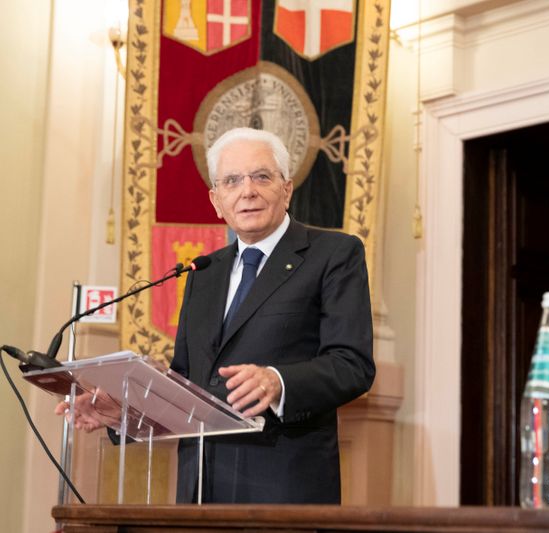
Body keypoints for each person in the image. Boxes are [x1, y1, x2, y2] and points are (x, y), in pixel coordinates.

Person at [56, 127, 375, 504]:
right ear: (216, 200)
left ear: (286, 189)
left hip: (283, 490)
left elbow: (353, 364)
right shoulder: (203, 272)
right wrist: (125, 415)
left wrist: (278, 381)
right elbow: (187, 384)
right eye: (232, 181)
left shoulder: (333, 254)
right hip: (200, 490)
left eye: (261, 176)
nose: (248, 191)